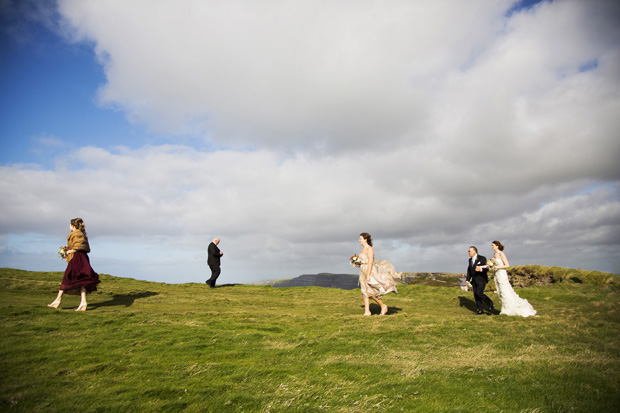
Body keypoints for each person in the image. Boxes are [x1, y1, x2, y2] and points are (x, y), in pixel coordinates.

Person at [48, 218, 100, 311]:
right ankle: (83, 302)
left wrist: (70, 251)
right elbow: (80, 245)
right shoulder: (80, 233)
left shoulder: (77, 233)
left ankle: (57, 300)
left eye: (69, 225)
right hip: (81, 258)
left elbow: (79, 246)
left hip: (77, 258)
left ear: (73, 226)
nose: (68, 227)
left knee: (67, 277)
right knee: (82, 279)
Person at [486, 241, 537, 317]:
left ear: (497, 246)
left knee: (505, 291)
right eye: (491, 245)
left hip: (502, 274)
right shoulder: (494, 255)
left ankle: (509, 309)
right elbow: (490, 264)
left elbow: (507, 265)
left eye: (493, 245)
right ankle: (504, 308)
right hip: (496, 275)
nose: (491, 247)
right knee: (500, 292)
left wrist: (497, 267)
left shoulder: (501, 254)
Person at [356, 233, 401, 316]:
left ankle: (383, 305)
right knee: (364, 291)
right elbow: (363, 262)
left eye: (360, 238)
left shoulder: (370, 249)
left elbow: (370, 263)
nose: (359, 240)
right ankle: (367, 311)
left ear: (365, 239)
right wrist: (357, 264)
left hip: (369, 271)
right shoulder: (362, 250)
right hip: (362, 271)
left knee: (371, 291)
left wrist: (368, 275)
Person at [466, 246, 494, 315]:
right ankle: (480, 309)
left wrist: (481, 269)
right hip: (474, 281)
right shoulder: (470, 260)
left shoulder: (482, 258)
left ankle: (490, 305)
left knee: (479, 293)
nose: (468, 252)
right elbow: (469, 270)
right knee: (476, 295)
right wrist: (467, 280)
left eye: (469, 251)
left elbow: (487, 268)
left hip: (481, 279)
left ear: (474, 251)